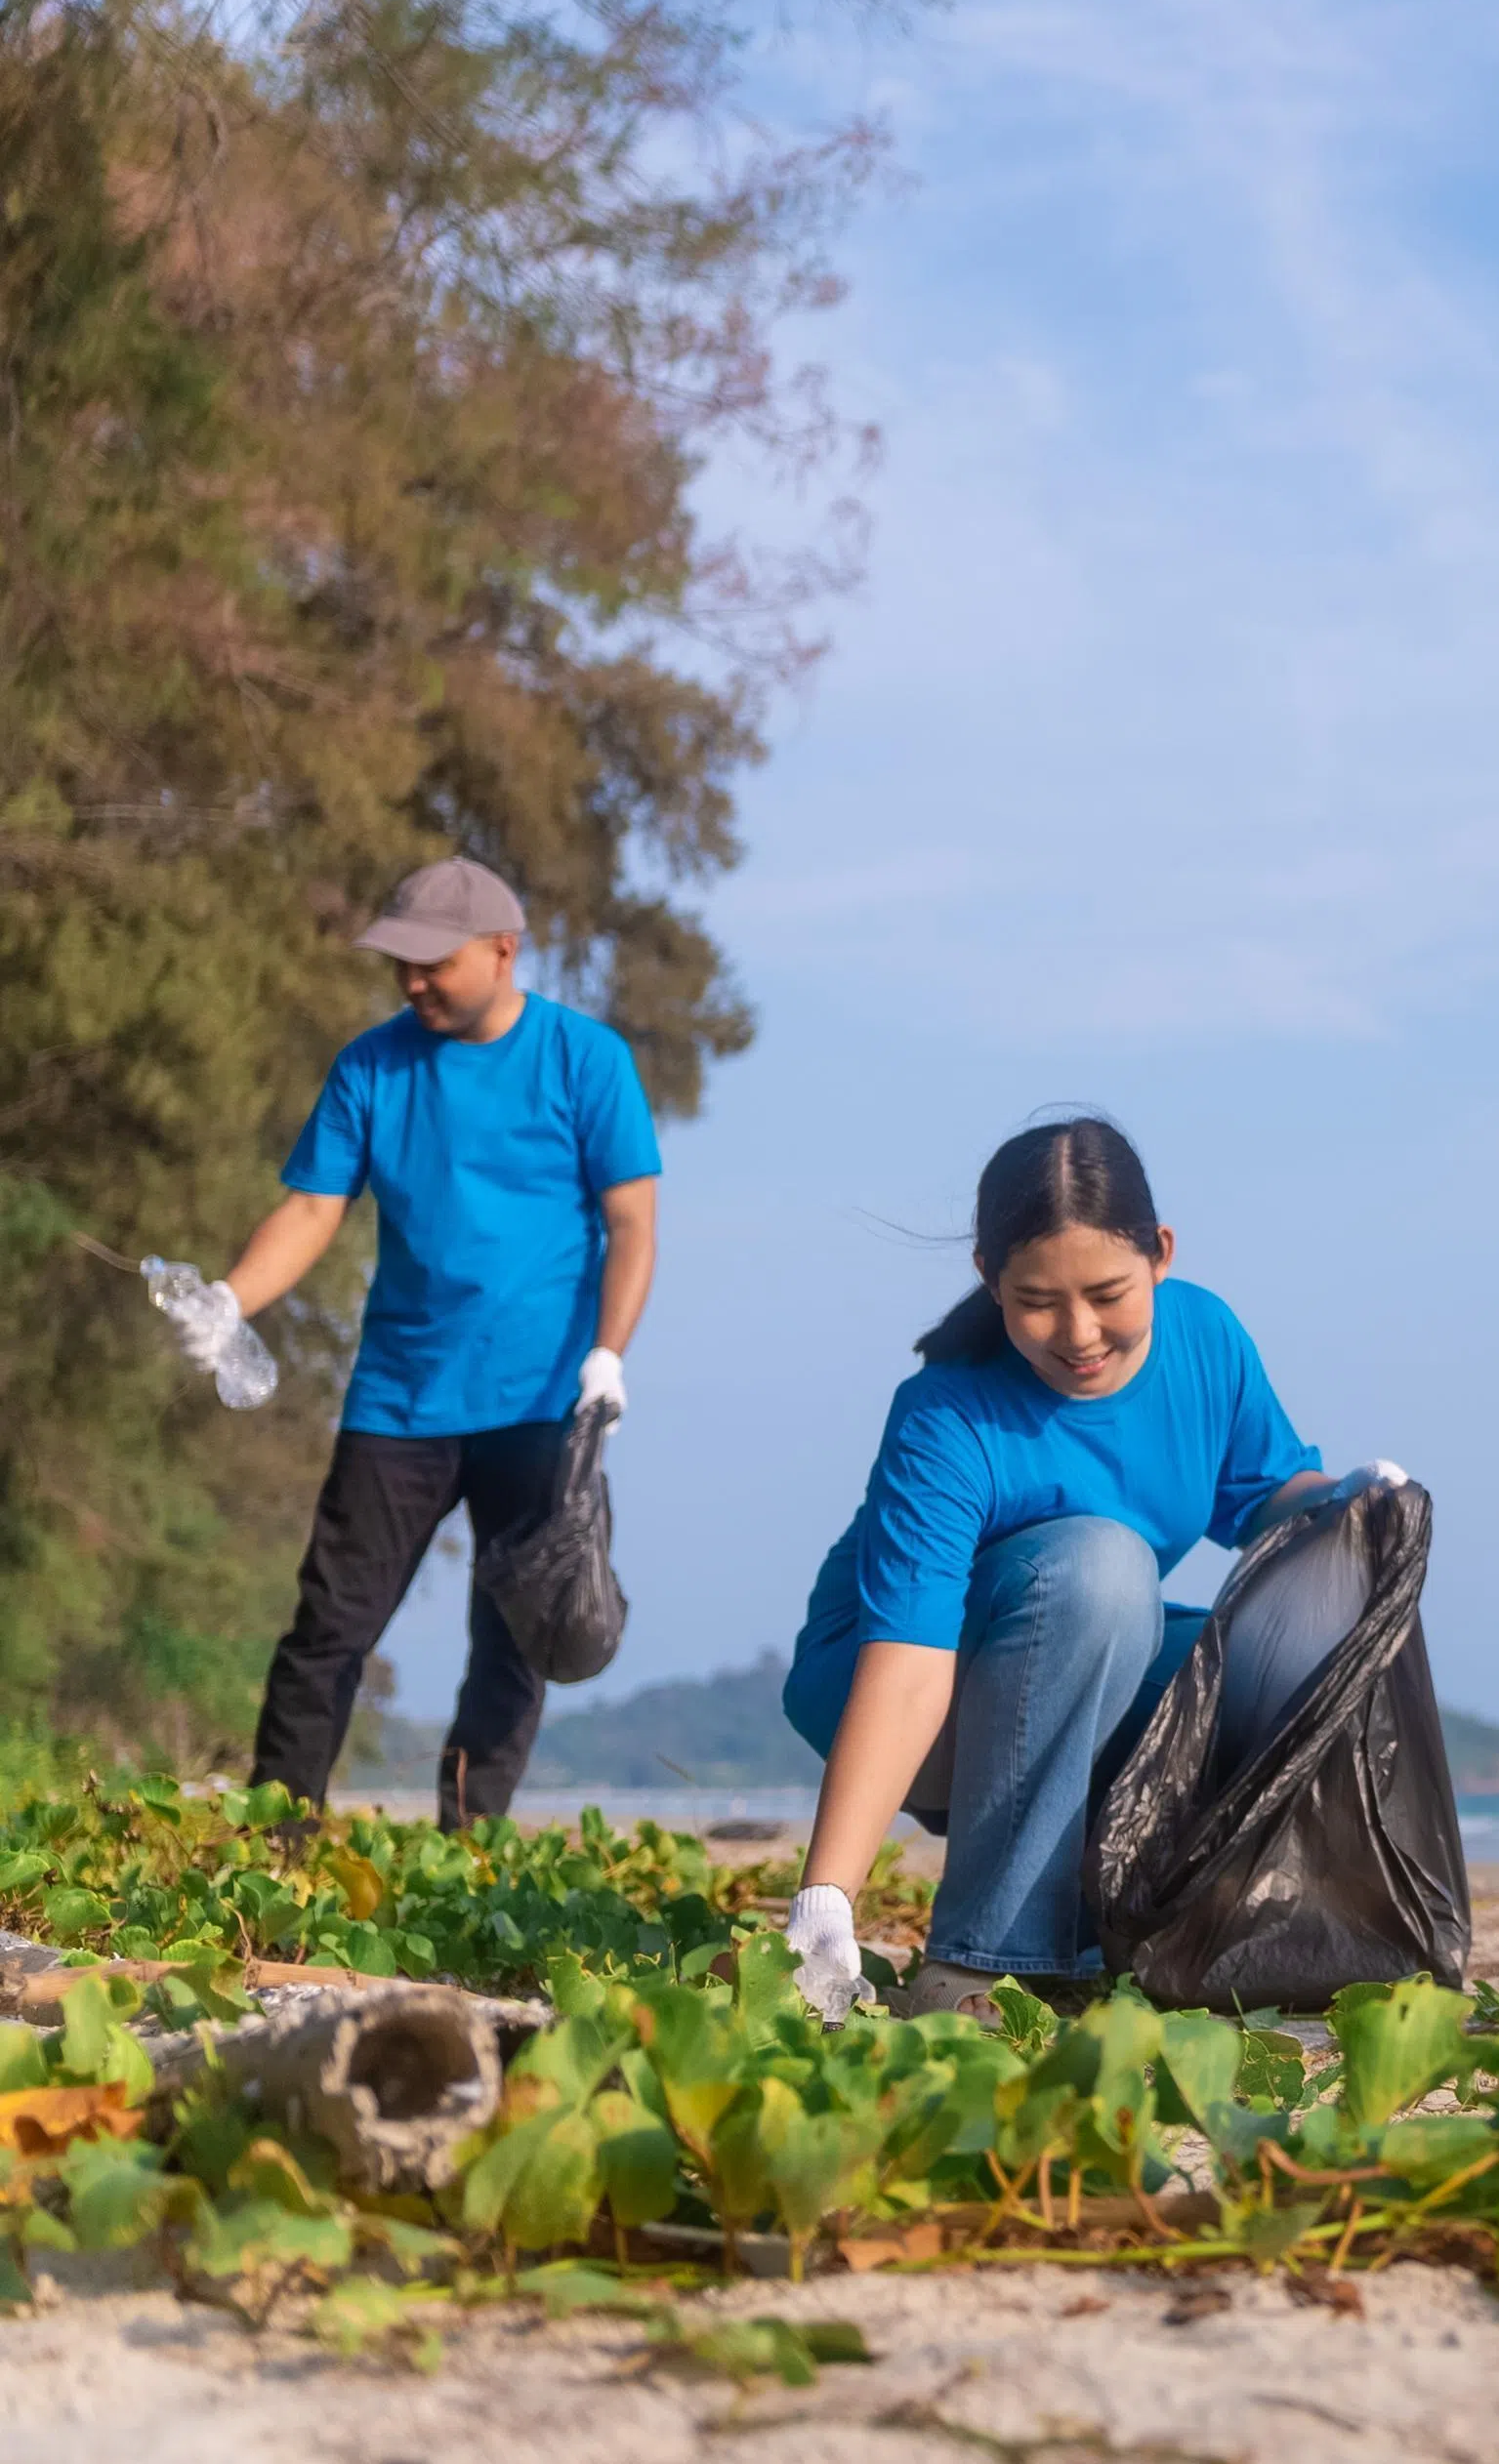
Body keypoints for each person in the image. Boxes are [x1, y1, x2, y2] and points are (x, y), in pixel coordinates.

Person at [775, 1117, 1400, 2023]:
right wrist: (826, 1898)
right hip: (901, 1697)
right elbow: (907, 1664)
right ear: (989, 1277)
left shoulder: (1206, 1340)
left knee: (1270, 1659)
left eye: (1108, 1293)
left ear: (1162, 1256)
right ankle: (983, 1965)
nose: (1078, 1333)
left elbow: (1264, 1491)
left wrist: (1345, 1500)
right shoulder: (946, 1418)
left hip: (1080, 1667)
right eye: (1036, 1301)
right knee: (1104, 1568)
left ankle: (1169, 1932)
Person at [167, 856, 659, 1827]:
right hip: (400, 1399)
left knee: (515, 1638)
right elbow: (312, 1210)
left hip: (543, 1402)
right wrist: (229, 1298)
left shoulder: (585, 1059)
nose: (412, 980)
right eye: (400, 963)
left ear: (504, 950)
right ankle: (279, 1845)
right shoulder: (371, 1064)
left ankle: (466, 1848)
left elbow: (632, 1221)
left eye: (432, 962)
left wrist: (608, 1353)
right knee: (328, 1627)